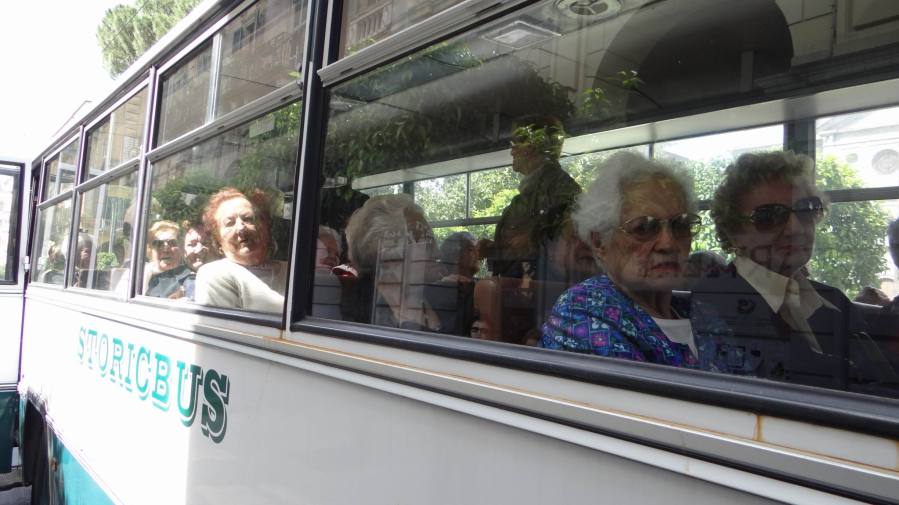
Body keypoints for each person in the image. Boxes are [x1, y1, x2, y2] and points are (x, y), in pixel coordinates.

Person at [692, 151, 897, 392]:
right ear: (733, 232)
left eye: (806, 209)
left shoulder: (835, 301)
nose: (795, 228)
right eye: (768, 216)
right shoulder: (711, 306)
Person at [540, 152, 730, 370]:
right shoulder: (580, 312)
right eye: (644, 227)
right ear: (600, 243)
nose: (668, 244)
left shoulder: (702, 314)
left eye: (680, 225)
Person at [491, 115, 581, 279]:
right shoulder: (533, 194)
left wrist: (531, 239)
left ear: (533, 146)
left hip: (542, 288)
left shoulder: (561, 188)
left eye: (515, 143)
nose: (512, 151)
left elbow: (568, 239)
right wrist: (494, 249)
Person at [343, 194, 443, 331]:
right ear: (390, 255)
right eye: (427, 242)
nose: (438, 253)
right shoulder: (360, 312)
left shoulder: (437, 299)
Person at [195, 187, 288, 313]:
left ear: (265, 226)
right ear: (218, 239)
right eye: (229, 223)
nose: (241, 228)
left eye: (248, 219)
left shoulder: (293, 271)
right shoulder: (214, 274)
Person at [144, 220, 193, 299]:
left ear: (181, 248)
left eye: (172, 243)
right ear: (150, 251)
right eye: (158, 244)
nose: (165, 250)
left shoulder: (189, 279)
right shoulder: (137, 275)